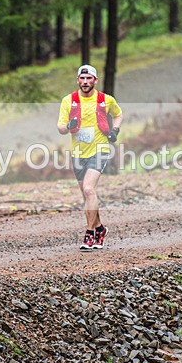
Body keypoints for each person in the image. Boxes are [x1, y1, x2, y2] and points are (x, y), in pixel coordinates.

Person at [57, 64, 123, 251]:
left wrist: (115, 130)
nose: (85, 82)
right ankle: (100, 228)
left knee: (88, 188)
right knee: (87, 195)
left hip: (100, 149)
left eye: (89, 79)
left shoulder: (105, 100)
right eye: (82, 79)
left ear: (95, 80)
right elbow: (60, 128)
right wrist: (70, 125)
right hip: (78, 153)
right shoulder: (68, 101)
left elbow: (118, 115)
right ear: (78, 80)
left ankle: (89, 234)